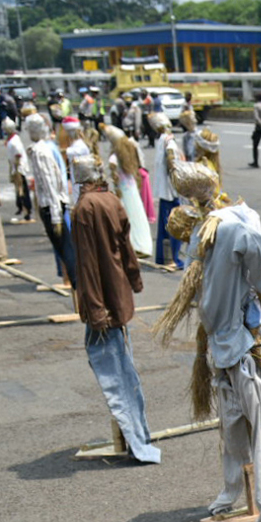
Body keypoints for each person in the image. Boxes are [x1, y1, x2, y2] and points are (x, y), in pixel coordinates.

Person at [152, 161, 261, 522]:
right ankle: (231, 489)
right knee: (231, 424)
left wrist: (257, 298)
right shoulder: (203, 228)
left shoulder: (236, 226)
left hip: (238, 340)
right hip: (217, 340)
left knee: (256, 429)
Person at [68, 155, 161, 464]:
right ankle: (139, 437)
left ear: (79, 179)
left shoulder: (84, 209)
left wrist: (94, 311)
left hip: (103, 305)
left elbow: (87, 265)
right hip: (118, 297)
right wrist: (134, 280)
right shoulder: (111, 199)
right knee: (125, 370)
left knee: (116, 377)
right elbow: (127, 246)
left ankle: (138, 444)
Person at [25, 115, 75, 286]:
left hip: (52, 205)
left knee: (65, 249)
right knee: (65, 248)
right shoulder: (43, 148)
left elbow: (49, 183)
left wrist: (55, 214)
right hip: (56, 203)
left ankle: (77, 283)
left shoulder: (40, 152)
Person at [101, 125, 155, 261]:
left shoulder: (114, 156)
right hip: (131, 187)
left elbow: (112, 170)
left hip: (123, 189)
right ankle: (141, 244)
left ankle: (130, 243)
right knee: (137, 214)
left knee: (126, 216)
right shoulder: (128, 152)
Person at [149, 112, 184, 268]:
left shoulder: (161, 140)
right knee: (173, 225)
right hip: (171, 191)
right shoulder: (169, 142)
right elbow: (171, 162)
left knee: (165, 225)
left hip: (165, 191)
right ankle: (173, 259)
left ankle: (164, 257)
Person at [6, 122, 34, 222]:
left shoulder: (14, 141)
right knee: (19, 190)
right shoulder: (13, 139)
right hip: (15, 167)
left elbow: (18, 154)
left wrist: (16, 170)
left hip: (18, 168)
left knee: (22, 190)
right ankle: (21, 208)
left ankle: (26, 211)